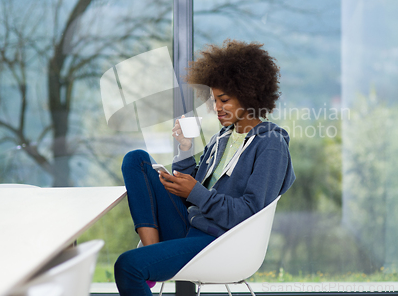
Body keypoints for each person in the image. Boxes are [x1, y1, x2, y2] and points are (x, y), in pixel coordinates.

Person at [114, 39, 295, 296]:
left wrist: (195, 192)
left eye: (224, 100)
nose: (217, 108)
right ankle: (151, 253)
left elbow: (248, 212)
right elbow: (193, 190)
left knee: (128, 266)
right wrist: (185, 148)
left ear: (248, 94)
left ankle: (149, 263)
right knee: (136, 160)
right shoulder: (223, 137)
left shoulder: (270, 145)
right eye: (214, 100)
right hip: (192, 223)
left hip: (219, 241)